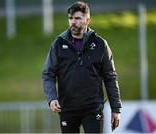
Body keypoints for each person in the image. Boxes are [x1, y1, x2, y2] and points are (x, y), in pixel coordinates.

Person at [42, 1, 122, 133]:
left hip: (93, 109)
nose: (73, 22)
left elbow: (110, 77)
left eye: (77, 18)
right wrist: (52, 98)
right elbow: (48, 74)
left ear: (87, 20)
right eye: (70, 18)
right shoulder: (58, 44)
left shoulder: (100, 44)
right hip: (67, 108)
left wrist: (116, 109)